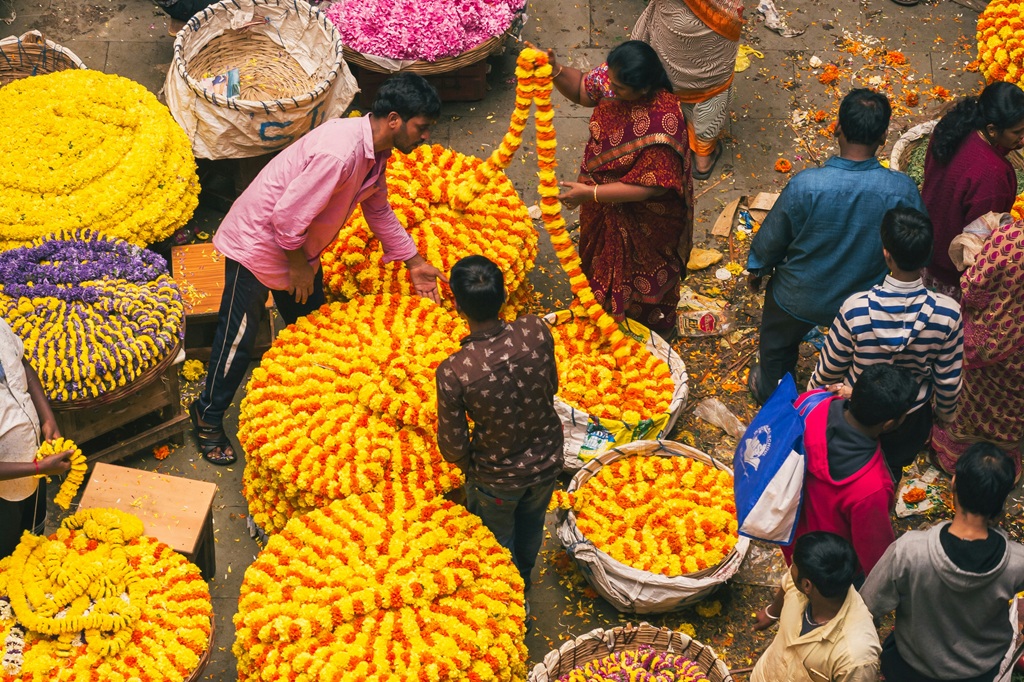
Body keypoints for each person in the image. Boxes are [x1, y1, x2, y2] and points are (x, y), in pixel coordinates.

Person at [190, 73, 447, 465]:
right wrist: (299, 268)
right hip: (258, 245)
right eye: (422, 127)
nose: (425, 136)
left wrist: (414, 262)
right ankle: (207, 416)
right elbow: (285, 219)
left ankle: (304, 397)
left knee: (313, 325)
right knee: (238, 336)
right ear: (395, 120)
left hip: (298, 249)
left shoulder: (375, 153)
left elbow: (378, 210)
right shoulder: (339, 154)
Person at [746, 88, 926, 404]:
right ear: (883, 137)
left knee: (776, 346)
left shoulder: (806, 185)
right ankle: (841, 401)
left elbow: (773, 238)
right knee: (856, 355)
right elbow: (916, 245)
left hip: (797, 297)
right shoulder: (902, 190)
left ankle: (772, 393)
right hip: (862, 304)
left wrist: (758, 269)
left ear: (837, 128)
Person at [537, 40, 692, 337]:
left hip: (646, 218)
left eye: (619, 88)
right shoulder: (612, 81)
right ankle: (600, 311)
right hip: (602, 201)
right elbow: (582, 89)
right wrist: (554, 69)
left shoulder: (664, 122)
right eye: (610, 79)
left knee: (639, 274)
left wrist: (591, 194)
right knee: (598, 259)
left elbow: (649, 188)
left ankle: (645, 331)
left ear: (642, 90)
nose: (609, 87)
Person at [435, 256, 563, 606]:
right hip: (548, 459)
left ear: (458, 307)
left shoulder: (454, 371)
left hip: (497, 477)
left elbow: (453, 446)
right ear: (505, 295)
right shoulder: (536, 329)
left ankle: (510, 600)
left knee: (496, 545)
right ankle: (524, 578)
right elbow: (551, 386)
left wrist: (474, 469)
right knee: (532, 525)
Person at [809, 208, 963, 478]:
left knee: (848, 468)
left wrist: (810, 401)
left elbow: (829, 370)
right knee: (891, 470)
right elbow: (948, 382)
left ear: (886, 253)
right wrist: (945, 416)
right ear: (927, 254)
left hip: (857, 412)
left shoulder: (856, 309)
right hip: (909, 417)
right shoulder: (948, 313)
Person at [861, 443, 1024, 682]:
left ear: (953, 484)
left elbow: (868, 605)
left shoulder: (910, 550)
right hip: (978, 672)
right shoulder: (1017, 562)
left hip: (911, 666)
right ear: (1003, 500)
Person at [783, 364, 917, 578]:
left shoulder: (809, 403)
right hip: (829, 569)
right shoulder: (871, 487)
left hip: (790, 538)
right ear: (888, 424)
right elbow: (876, 560)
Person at [932, 216, 1024, 477]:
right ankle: (999, 467)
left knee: (972, 405)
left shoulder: (1010, 239)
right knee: (1010, 407)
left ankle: (956, 456)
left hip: (993, 342)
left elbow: (973, 287)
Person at [921, 81, 1024, 298]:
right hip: (952, 271)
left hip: (926, 245)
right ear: (992, 130)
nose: (1022, 137)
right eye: (1017, 132)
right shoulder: (993, 176)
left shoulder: (954, 126)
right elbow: (980, 245)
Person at [631, 0, 743, 179]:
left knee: (671, 76)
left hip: (674, 24)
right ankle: (703, 159)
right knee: (713, 89)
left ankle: (667, 130)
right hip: (718, 28)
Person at [751, 532, 881, 682]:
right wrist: (772, 613)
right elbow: (787, 585)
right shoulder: (813, 579)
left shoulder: (855, 657)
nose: (790, 567)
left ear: (807, 585)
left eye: (794, 565)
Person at [0, 318, 73, 558]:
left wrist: (47, 418)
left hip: (31, 464)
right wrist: (38, 467)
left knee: (33, 538)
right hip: (6, 490)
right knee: (8, 556)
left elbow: (23, 365)